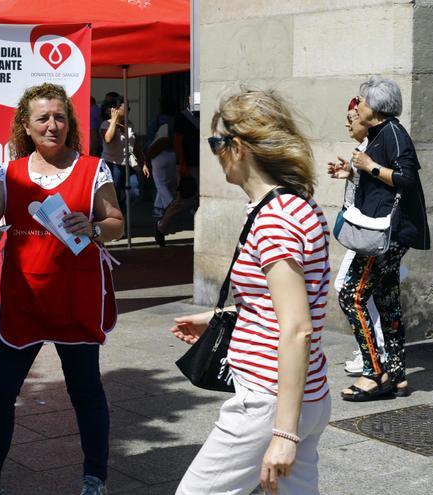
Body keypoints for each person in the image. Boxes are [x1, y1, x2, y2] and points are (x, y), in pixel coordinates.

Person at [0, 83, 124, 495]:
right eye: (43, 117)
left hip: (74, 301)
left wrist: (95, 227)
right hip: (23, 302)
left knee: (85, 392)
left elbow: (115, 222)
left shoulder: (93, 169)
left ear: (70, 123)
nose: (52, 125)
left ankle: (95, 480)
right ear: (26, 126)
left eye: (60, 117)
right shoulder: (8, 172)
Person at [172, 88, 331, 495]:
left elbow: (297, 328)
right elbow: (284, 303)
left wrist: (284, 434)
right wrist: (218, 319)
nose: (213, 152)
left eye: (214, 143)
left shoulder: (274, 219)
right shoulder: (297, 205)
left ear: (237, 147)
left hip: (268, 399)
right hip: (308, 393)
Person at [335, 77, 430, 401]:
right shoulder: (380, 133)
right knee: (386, 300)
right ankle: (397, 375)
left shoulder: (392, 133)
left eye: (361, 100)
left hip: (386, 233)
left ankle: (374, 373)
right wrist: (353, 172)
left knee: (351, 294)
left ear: (375, 106)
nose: (357, 104)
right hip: (386, 230)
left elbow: (407, 179)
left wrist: (370, 166)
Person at [328, 98, 386, 376]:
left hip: (369, 232)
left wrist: (361, 169)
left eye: (352, 116)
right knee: (360, 291)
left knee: (350, 289)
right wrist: (350, 174)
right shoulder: (362, 150)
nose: (347, 122)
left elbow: (389, 185)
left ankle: (374, 352)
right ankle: (375, 350)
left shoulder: (374, 149)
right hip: (363, 230)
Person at [155, 96, 200, 246]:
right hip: (188, 165)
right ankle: (162, 227)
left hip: (202, 164)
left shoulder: (203, 115)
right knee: (183, 200)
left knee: (200, 202)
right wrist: (182, 165)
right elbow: (177, 142)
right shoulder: (182, 117)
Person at [100, 95, 146, 210]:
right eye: (125, 109)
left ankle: (122, 212)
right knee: (114, 193)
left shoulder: (129, 124)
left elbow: (135, 145)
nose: (128, 111)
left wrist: (143, 162)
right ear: (116, 109)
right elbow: (108, 139)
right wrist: (114, 120)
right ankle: (119, 217)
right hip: (112, 164)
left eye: (129, 109)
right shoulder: (105, 124)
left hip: (127, 164)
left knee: (134, 191)